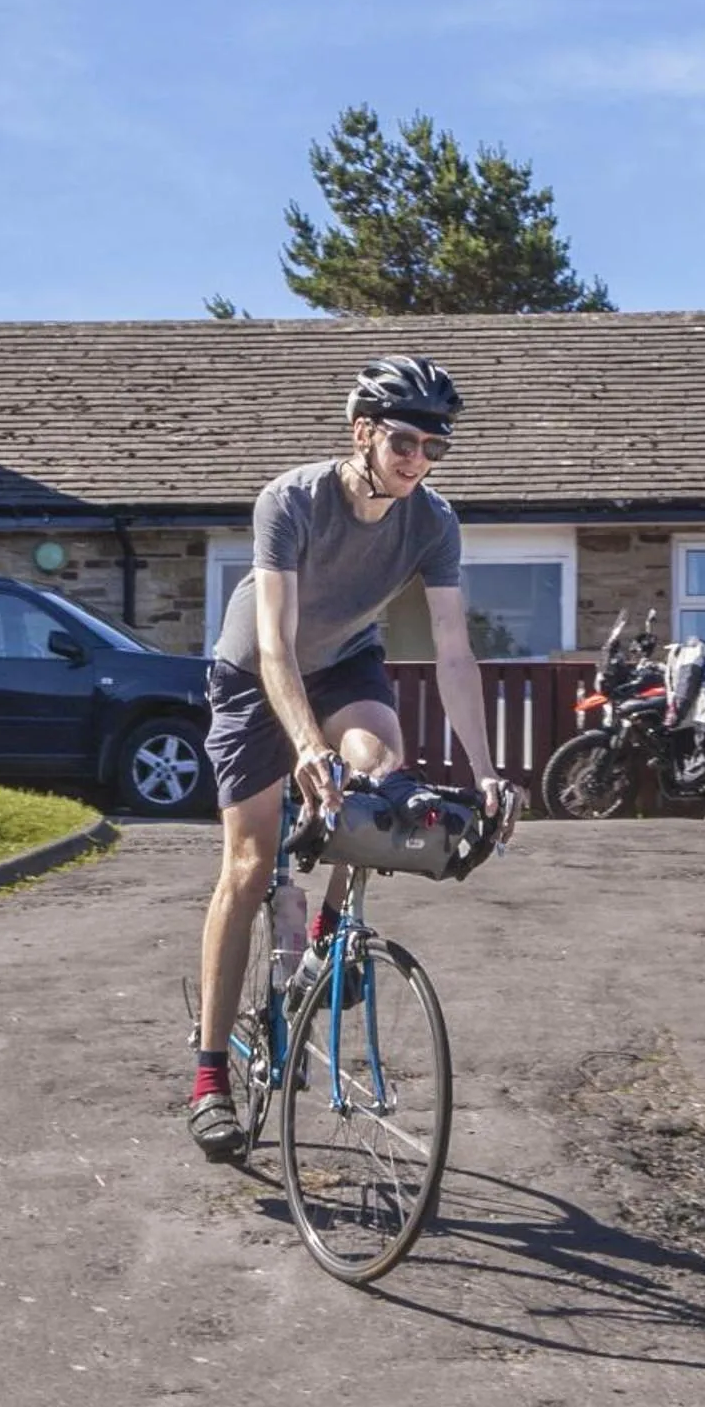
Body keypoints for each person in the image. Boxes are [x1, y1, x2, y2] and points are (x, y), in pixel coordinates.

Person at [186, 356, 517, 1160]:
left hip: (345, 663)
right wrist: (303, 744)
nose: (418, 461)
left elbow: (450, 646)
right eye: (405, 441)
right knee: (247, 862)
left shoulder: (432, 520)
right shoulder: (291, 501)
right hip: (253, 673)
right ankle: (207, 1079)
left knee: (384, 770)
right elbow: (273, 643)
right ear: (362, 432)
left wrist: (486, 770)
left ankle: (328, 930)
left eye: (435, 449)